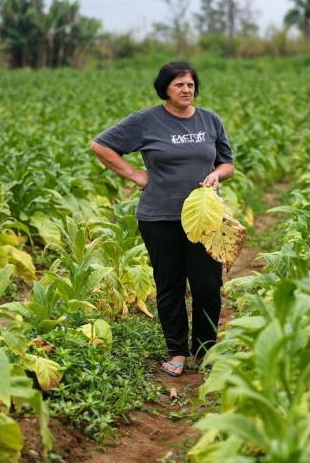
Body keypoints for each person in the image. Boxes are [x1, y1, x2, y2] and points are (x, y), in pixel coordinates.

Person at [90, 61, 234, 377]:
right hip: (159, 216)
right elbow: (100, 145)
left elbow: (227, 163)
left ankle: (206, 351)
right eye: (179, 85)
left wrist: (216, 176)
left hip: (204, 218)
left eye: (191, 84)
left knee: (208, 285)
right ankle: (178, 352)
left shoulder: (210, 120)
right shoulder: (147, 121)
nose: (187, 89)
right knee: (169, 284)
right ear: (165, 89)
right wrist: (134, 174)